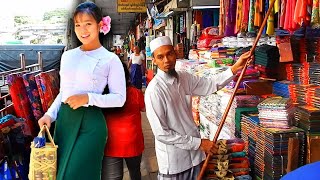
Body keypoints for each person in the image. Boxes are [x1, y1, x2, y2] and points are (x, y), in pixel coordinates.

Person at [37, 2, 126, 180]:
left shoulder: (110, 59)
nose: (83, 30)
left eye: (88, 23)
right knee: (60, 174)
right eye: (78, 25)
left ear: (100, 25)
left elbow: (120, 98)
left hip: (91, 124)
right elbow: (64, 93)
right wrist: (49, 115)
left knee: (76, 174)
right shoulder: (68, 56)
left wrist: (88, 98)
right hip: (65, 122)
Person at [144, 36, 252, 180]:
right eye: (160, 57)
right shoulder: (154, 91)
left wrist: (234, 68)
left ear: (175, 53)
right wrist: (199, 143)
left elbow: (210, 84)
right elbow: (161, 133)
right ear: (154, 60)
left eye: (169, 54)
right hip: (174, 162)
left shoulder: (184, 78)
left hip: (195, 159)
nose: (166, 61)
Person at [101, 62, 145, 180]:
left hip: (110, 145)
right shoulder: (135, 93)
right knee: (135, 173)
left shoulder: (100, 97)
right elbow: (145, 109)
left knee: (113, 178)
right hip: (133, 143)